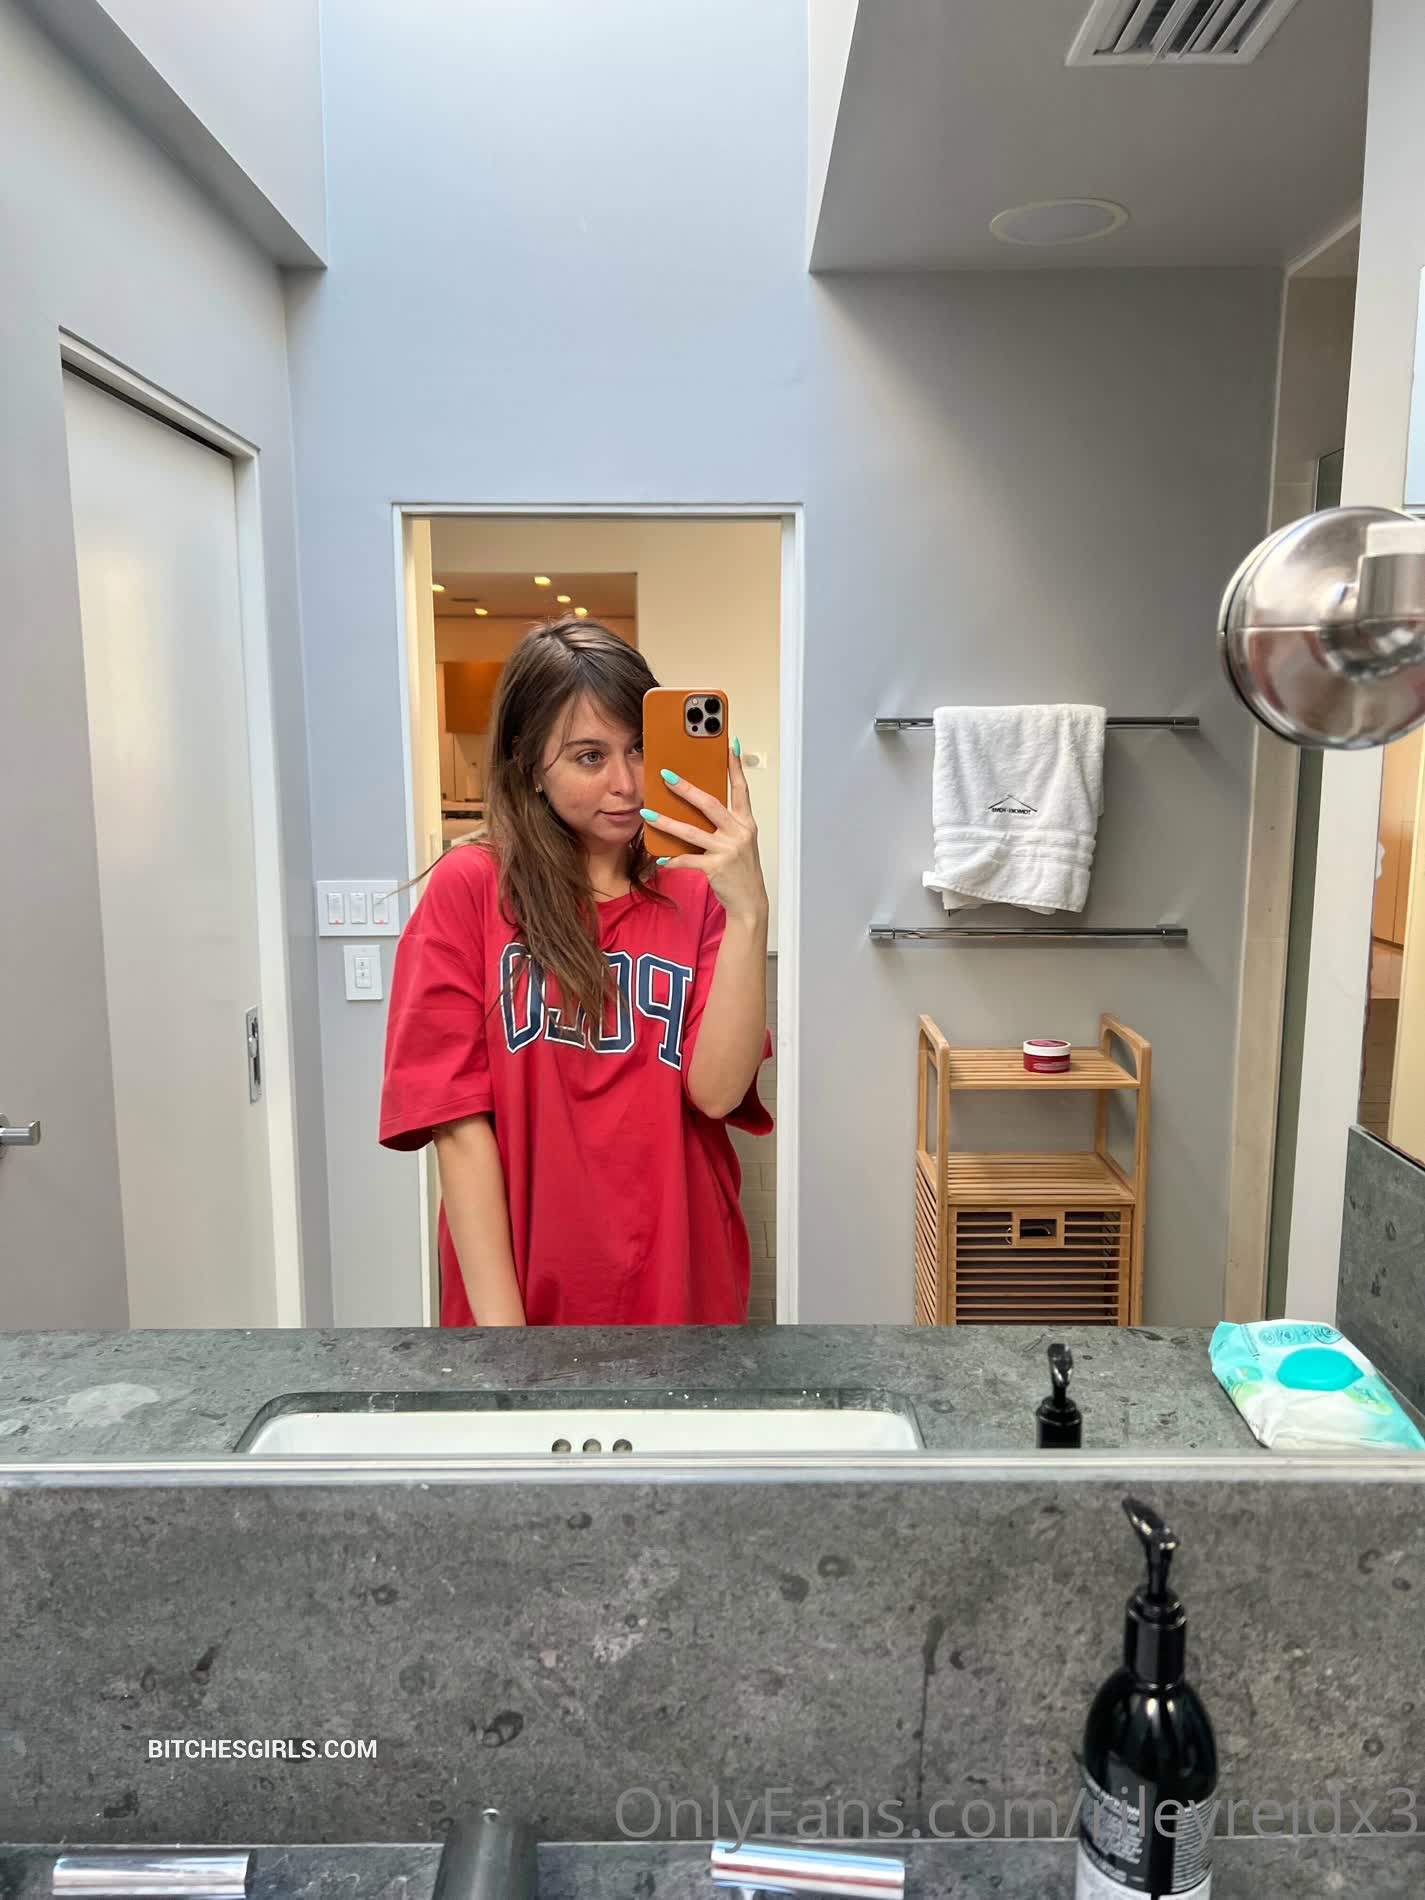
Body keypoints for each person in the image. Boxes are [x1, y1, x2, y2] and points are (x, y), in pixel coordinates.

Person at [378, 616, 774, 1326]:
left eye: (639, 749)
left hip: (681, 1279)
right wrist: (507, 1344)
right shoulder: (473, 888)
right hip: (524, 1290)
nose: (626, 783)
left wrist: (748, 913)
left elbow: (716, 1095)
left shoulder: (697, 892)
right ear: (531, 765)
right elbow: (457, 1128)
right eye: (589, 757)